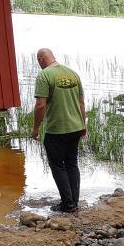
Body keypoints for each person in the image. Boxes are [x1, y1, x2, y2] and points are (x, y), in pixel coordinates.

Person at [31, 48, 86, 213]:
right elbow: (81, 102)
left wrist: (35, 128)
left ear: (41, 59)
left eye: (38, 61)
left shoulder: (44, 75)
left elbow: (41, 104)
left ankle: (67, 204)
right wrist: (84, 125)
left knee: (58, 166)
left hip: (56, 129)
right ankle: (73, 202)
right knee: (71, 163)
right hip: (76, 127)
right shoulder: (72, 73)